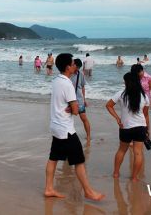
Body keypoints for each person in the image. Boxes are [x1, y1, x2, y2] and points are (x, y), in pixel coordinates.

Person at [44, 53, 104, 201]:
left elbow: (67, 105)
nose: (74, 65)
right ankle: (88, 191)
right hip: (66, 129)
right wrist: (73, 108)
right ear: (67, 67)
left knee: (53, 158)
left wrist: (70, 108)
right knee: (79, 161)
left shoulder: (57, 80)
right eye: (72, 63)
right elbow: (76, 110)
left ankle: (49, 188)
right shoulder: (68, 84)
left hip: (56, 126)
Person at [105, 72, 150, 182]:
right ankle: (134, 177)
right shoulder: (144, 95)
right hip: (140, 127)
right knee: (138, 153)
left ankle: (116, 173)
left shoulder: (121, 94)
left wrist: (117, 118)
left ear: (127, 82)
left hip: (125, 127)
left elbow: (108, 105)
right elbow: (145, 114)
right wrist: (147, 129)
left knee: (121, 150)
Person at [70, 59, 91, 146]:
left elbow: (82, 87)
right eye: (76, 67)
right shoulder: (68, 74)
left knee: (84, 118)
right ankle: (67, 137)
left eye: (78, 68)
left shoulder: (80, 74)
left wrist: (84, 99)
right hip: (69, 101)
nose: (76, 69)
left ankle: (88, 136)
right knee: (68, 120)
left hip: (79, 100)